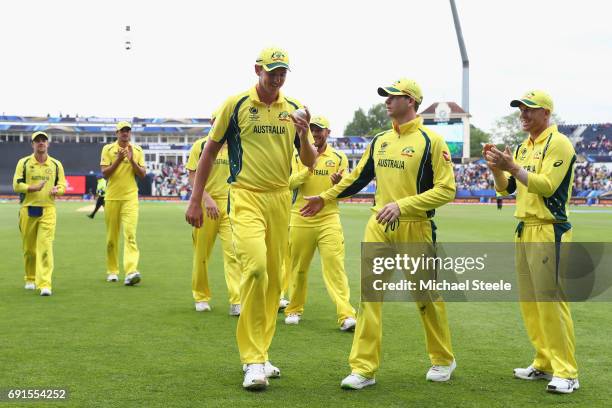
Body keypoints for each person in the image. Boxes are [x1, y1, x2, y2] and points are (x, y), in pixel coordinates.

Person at [301, 78, 457, 389]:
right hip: (379, 225)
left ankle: (442, 359)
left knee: (426, 297)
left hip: (416, 227)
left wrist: (403, 206)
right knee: (370, 298)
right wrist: (325, 197)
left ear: (410, 101)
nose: (386, 101)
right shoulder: (381, 140)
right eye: (386, 96)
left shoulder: (432, 141)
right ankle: (363, 368)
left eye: (392, 96)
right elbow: (358, 178)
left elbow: (447, 190)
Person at [185, 47, 316, 390]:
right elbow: (209, 153)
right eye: (271, 71)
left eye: (282, 72)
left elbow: (310, 160)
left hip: (279, 199)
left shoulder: (294, 109)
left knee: (274, 281)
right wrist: (196, 200)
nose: (276, 77)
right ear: (257, 69)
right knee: (255, 268)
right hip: (243, 196)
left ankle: (262, 352)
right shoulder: (236, 105)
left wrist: (304, 134)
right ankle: (251, 361)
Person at [484, 90, 579, 394]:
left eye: (529, 110)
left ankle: (567, 371)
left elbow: (548, 187)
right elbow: (506, 190)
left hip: (550, 230)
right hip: (525, 229)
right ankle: (544, 361)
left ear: (546, 113)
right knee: (530, 303)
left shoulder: (559, 143)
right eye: (521, 110)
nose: (523, 115)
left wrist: (512, 167)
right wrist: (497, 170)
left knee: (551, 303)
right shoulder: (524, 146)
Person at [284, 115, 356, 331]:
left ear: (328, 133)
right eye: (312, 130)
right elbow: (289, 183)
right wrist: (309, 167)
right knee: (298, 268)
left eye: (319, 130)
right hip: (301, 218)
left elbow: (344, 194)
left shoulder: (339, 157)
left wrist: (340, 184)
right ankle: (293, 309)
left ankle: (346, 315)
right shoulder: (297, 156)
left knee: (335, 266)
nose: (315, 134)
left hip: (328, 218)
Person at [186, 111, 241, 315]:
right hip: (205, 206)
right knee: (201, 255)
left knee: (234, 254)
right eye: (219, 121)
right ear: (212, 123)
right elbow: (192, 177)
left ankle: (237, 300)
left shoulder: (236, 146)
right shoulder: (200, 146)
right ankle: (201, 296)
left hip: (230, 207)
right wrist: (206, 199)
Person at [13, 131, 66, 296]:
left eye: (44, 140)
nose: (41, 143)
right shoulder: (24, 163)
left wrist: (58, 190)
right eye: (38, 141)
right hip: (28, 210)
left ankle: (45, 284)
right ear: (33, 144)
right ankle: (30, 278)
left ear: (48, 144)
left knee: (45, 247)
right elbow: (16, 185)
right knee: (29, 250)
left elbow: (63, 185)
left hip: (48, 210)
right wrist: (31, 187)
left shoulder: (56, 164)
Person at [100, 121, 146, 285]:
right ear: (117, 133)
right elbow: (105, 174)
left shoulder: (137, 150)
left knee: (130, 235)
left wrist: (132, 160)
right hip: (112, 197)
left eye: (127, 131)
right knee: (112, 239)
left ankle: (131, 271)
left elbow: (142, 174)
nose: (125, 133)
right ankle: (112, 270)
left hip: (130, 198)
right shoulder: (108, 149)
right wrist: (119, 159)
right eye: (122, 131)